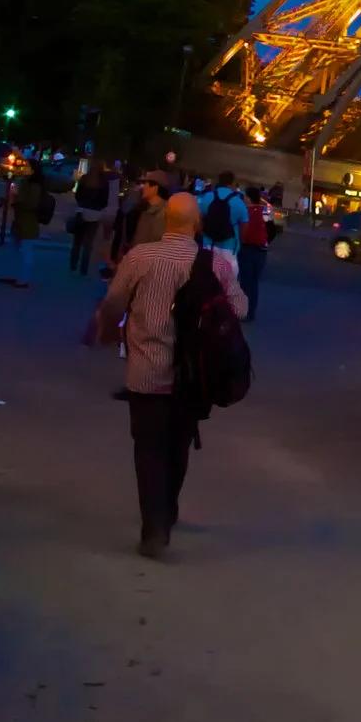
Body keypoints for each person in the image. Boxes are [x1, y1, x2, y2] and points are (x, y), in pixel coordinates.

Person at [96, 191, 247, 556]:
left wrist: (110, 331)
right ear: (197, 225)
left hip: (146, 372)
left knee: (147, 449)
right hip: (193, 376)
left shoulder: (140, 257)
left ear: (166, 221)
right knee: (178, 446)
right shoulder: (217, 264)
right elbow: (240, 308)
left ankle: (154, 529)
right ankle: (169, 510)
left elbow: (113, 302)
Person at [0, 151, 53, 286]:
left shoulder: (34, 185)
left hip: (28, 222)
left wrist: (16, 200)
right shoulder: (26, 182)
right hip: (21, 221)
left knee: (25, 251)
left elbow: (31, 203)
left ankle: (23, 279)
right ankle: (18, 276)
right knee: (17, 248)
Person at [67, 154, 110, 276]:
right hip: (94, 214)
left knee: (77, 241)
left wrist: (81, 205)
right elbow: (105, 200)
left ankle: (73, 265)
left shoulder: (84, 179)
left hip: (81, 211)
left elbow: (77, 195)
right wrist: (98, 208)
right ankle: (83, 269)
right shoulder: (103, 183)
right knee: (88, 243)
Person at [236, 191, 272, 320]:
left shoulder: (246, 212)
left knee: (246, 282)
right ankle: (251, 311)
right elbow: (271, 229)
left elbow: (242, 228)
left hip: (248, 248)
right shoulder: (264, 212)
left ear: (249, 199)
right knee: (254, 282)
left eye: (245, 197)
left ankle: (244, 311)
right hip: (261, 250)